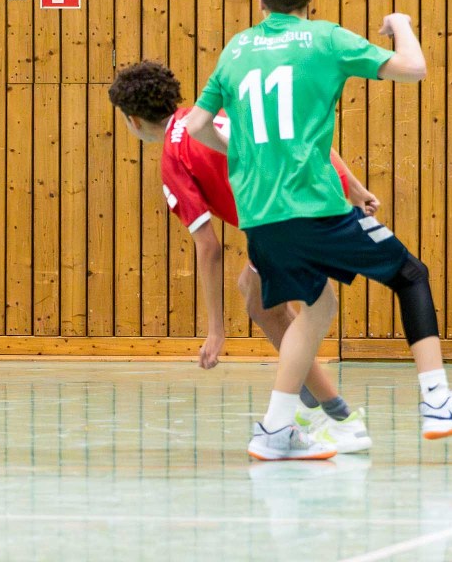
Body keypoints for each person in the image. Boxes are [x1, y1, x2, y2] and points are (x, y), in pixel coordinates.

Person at [184, 0, 452, 460]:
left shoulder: (237, 49)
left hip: (260, 216)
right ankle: (438, 401)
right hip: (314, 207)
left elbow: (197, 126)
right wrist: (401, 24)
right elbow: (414, 68)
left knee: (317, 306)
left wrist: (239, 150)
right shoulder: (324, 38)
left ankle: (275, 431)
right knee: (410, 275)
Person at [109, 60, 372, 453]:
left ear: (133, 120)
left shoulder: (173, 157)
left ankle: (339, 418)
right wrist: (353, 187)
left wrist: (216, 331)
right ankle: (313, 402)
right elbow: (300, 135)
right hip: (319, 193)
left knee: (268, 306)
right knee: (255, 291)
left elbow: (209, 247)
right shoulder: (211, 112)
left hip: (290, 213)